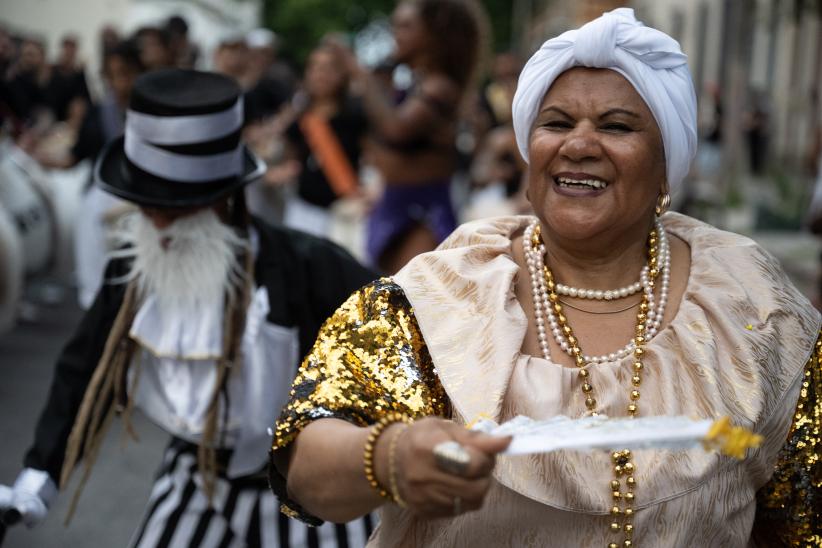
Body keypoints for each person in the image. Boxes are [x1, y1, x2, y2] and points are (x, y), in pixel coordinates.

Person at [268, 9, 821, 547]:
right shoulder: (440, 297)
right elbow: (306, 466)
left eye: (617, 126)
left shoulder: (752, 307)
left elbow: (804, 512)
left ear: (665, 168)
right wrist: (388, 457)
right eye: (556, 123)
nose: (578, 145)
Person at [0, 69, 377, 547]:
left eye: (174, 208)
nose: (156, 225)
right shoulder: (133, 270)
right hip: (200, 478)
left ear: (223, 202)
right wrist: (39, 475)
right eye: (144, 205)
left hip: (309, 489)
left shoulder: (312, 267)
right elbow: (85, 370)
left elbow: (398, 353)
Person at [334, 0, 488, 273]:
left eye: (405, 26)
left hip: (420, 215)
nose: (395, 33)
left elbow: (395, 129)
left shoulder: (440, 87)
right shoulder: (417, 84)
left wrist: (359, 71)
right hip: (393, 204)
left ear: (434, 34)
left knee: (406, 305)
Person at [280, 44, 369, 238]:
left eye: (328, 68)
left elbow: (374, 160)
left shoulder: (356, 117)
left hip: (344, 215)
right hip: (303, 211)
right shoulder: (300, 118)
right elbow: (289, 156)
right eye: (315, 67)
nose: (320, 74)